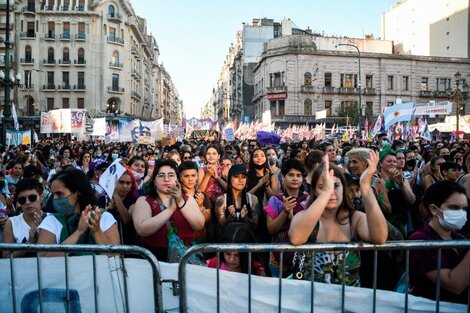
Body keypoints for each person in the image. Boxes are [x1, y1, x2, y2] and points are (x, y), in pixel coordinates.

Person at [289, 151, 388, 285]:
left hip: (349, 301)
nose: (331, 192)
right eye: (322, 187)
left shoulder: (356, 219)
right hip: (312, 301)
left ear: (344, 188)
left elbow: (380, 237)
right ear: (314, 191)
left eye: (336, 186)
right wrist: (325, 194)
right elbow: (296, 238)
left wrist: (365, 187)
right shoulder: (303, 217)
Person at [132, 160, 204, 261]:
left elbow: (199, 224)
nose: (166, 179)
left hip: (185, 258)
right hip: (155, 260)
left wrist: (180, 201)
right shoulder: (144, 200)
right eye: (161, 175)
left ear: (177, 179)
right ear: (154, 180)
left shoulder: (187, 198)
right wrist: (170, 210)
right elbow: (142, 229)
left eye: (171, 175)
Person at [410, 181, 469, 304]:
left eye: (464, 209)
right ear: (434, 210)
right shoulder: (420, 241)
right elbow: (454, 284)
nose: (461, 214)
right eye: (454, 208)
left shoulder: (460, 238)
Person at [37, 168, 120, 256]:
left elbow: (114, 256)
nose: (55, 199)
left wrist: (97, 231)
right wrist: (78, 232)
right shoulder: (51, 221)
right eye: (53, 194)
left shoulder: (104, 218)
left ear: (77, 193)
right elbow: (43, 258)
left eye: (60, 194)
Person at [264, 159, 309, 277]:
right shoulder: (275, 200)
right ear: (283, 177)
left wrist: (295, 218)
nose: (295, 178)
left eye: (299, 175)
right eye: (291, 175)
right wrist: (284, 212)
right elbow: (270, 229)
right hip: (278, 259)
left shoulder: (308, 200)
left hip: (303, 258)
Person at [2, 179, 47, 258]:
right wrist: (29, 242)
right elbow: (6, 257)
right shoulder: (11, 223)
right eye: (22, 200)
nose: (27, 202)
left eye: (32, 198)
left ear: (41, 197)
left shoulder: (52, 219)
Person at [215, 164, 259, 232]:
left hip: (247, 240)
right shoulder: (221, 200)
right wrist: (230, 218)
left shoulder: (253, 199)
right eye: (236, 176)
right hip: (227, 241)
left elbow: (255, 227)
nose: (240, 180)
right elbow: (222, 227)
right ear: (230, 179)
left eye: (243, 177)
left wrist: (245, 218)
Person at [103, 168, 139, 245]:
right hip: (109, 245)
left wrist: (115, 195)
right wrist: (107, 210)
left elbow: (126, 219)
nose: (125, 186)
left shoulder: (135, 200)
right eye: (121, 182)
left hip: (130, 246)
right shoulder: (103, 199)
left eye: (128, 183)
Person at [178, 161, 212, 242]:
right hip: (180, 240)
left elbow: (208, 219)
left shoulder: (202, 195)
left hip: (199, 240)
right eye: (186, 176)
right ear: (180, 178)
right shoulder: (177, 196)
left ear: (197, 176)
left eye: (193, 175)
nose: (190, 179)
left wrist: (200, 207)